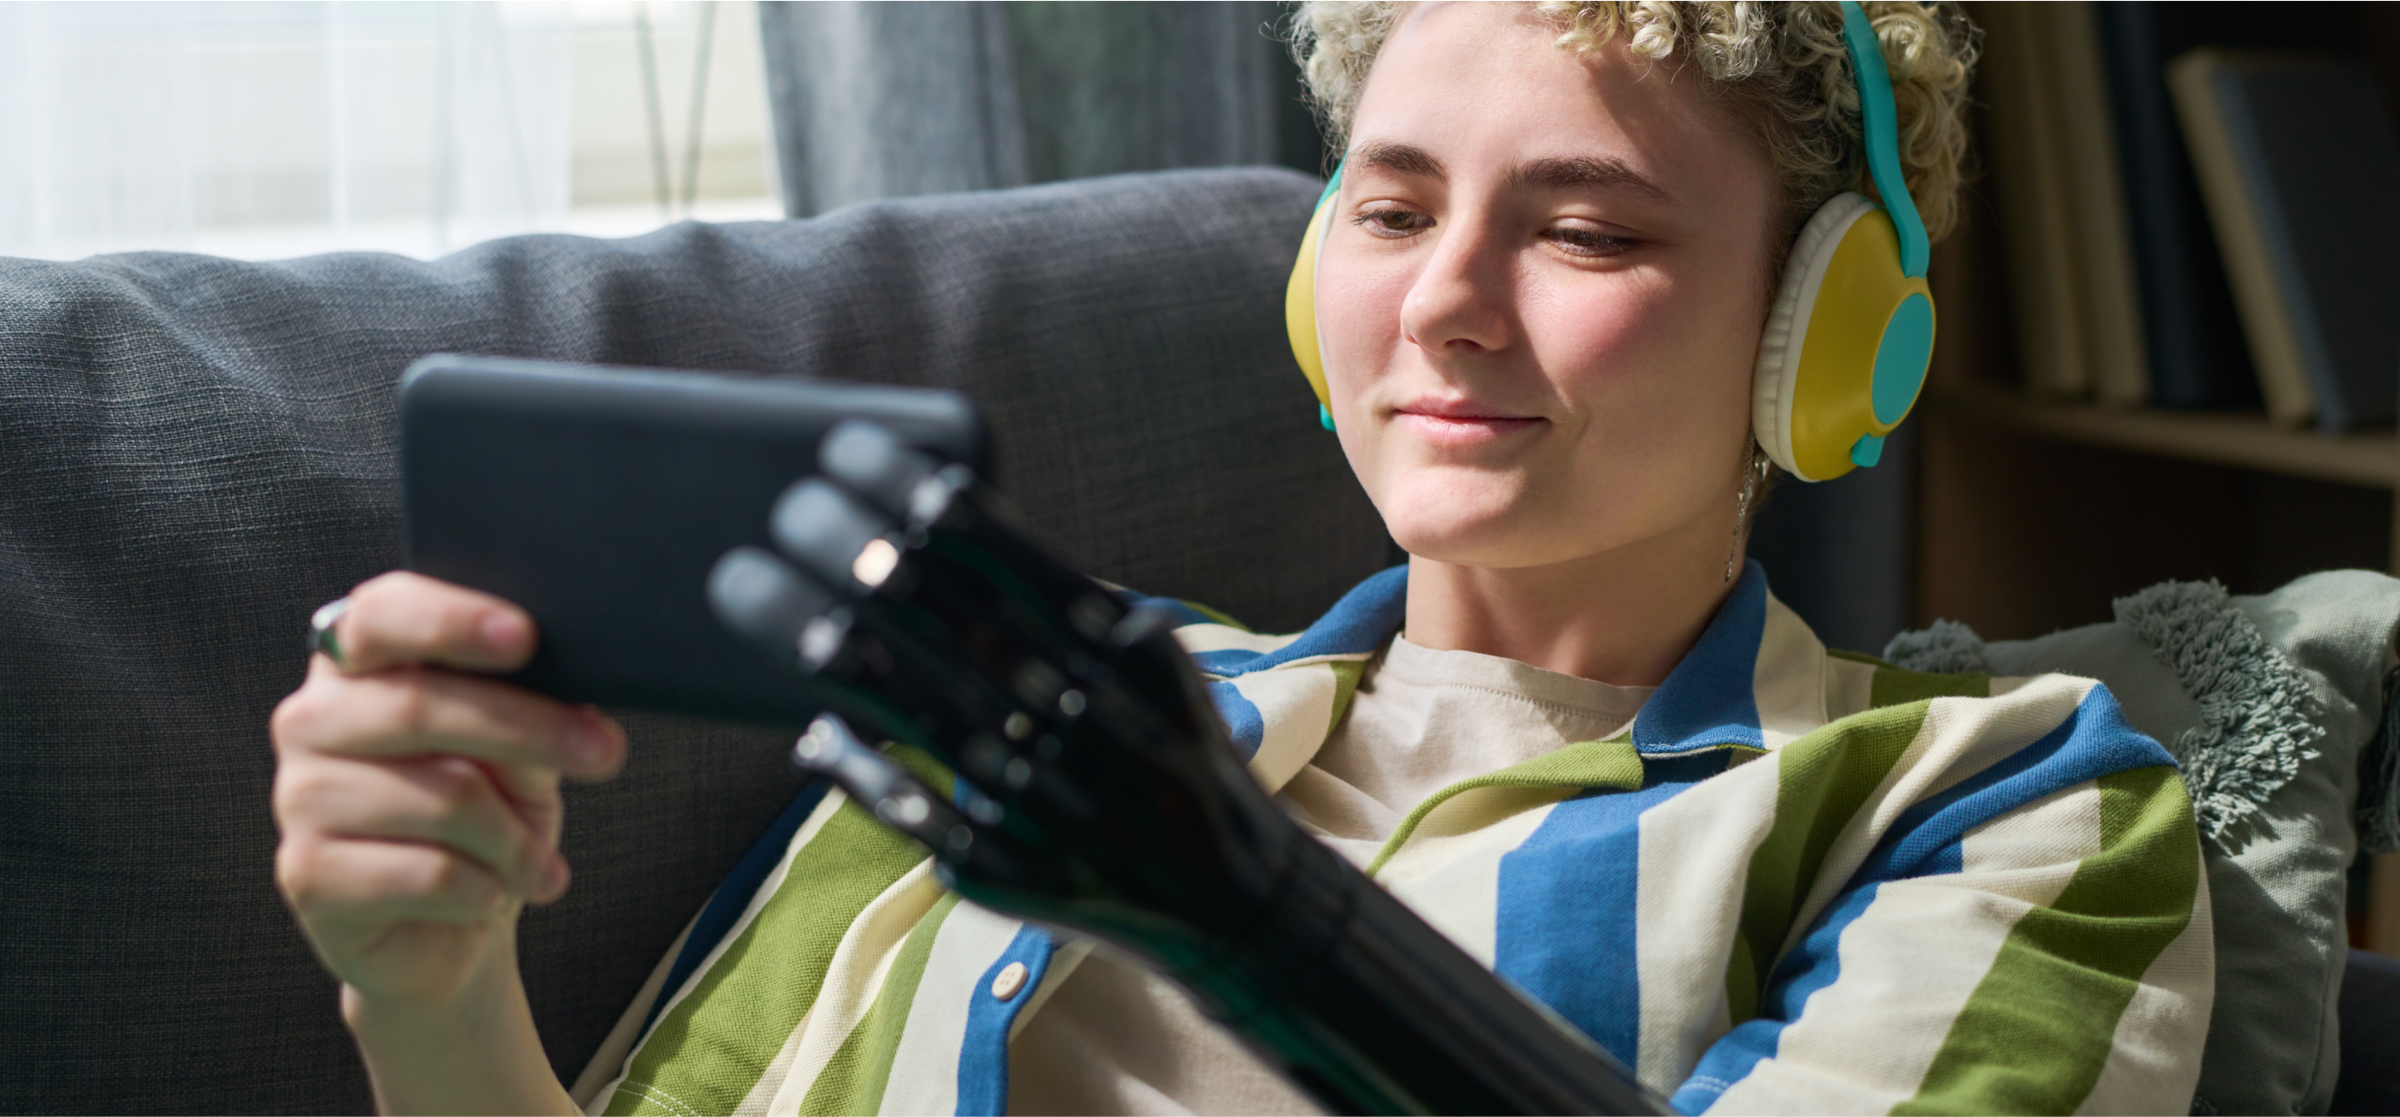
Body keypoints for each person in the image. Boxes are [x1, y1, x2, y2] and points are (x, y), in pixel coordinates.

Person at [268, 2, 2213, 1114]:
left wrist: (1235, 904)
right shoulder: (1048, 690)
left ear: (1835, 332)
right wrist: (429, 987)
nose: (1442, 304)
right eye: (1386, 206)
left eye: (1589, 231)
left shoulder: (1991, 801)